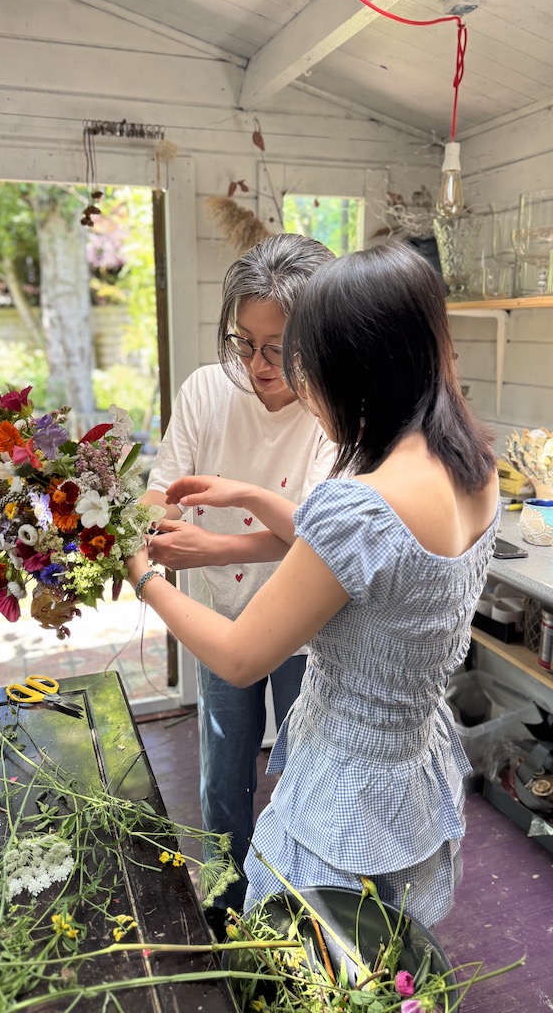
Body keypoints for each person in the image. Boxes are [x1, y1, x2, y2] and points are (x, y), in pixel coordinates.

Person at [129, 241, 500, 928]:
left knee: (317, 959)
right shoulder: (473, 463)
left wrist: (144, 574)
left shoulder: (360, 504)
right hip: (413, 765)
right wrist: (256, 496)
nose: (295, 383)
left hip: (344, 792)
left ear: (356, 370)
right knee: (381, 948)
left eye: (304, 366)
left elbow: (241, 656)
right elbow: (379, 560)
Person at [140, 233, 337, 926]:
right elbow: (162, 490)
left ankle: (294, 911)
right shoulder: (206, 389)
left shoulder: (334, 411)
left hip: (305, 621)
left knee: (305, 773)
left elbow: (317, 534)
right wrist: (139, 529)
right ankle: (225, 908)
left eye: (279, 347)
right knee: (224, 770)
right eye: (244, 342)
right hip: (220, 613)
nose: (258, 364)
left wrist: (210, 549)